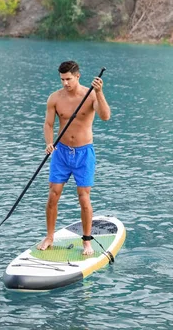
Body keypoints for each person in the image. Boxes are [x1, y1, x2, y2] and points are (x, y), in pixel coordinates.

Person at [37, 61, 111, 255]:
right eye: (62, 79)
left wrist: (100, 93)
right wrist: (48, 142)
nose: (65, 83)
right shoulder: (55, 98)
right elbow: (48, 124)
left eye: (68, 79)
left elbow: (105, 116)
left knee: (83, 197)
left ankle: (87, 241)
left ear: (77, 76)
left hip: (84, 153)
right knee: (53, 194)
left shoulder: (90, 95)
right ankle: (50, 236)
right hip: (60, 152)